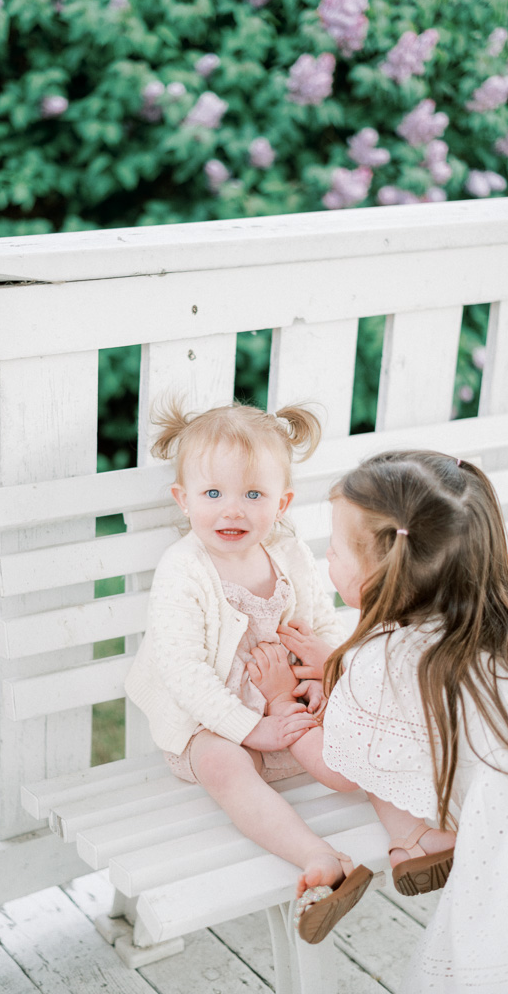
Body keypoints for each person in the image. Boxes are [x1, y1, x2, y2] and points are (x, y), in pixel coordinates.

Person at [256, 450, 508, 990]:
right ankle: (420, 840)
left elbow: (341, 770)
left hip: (503, 851)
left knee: (370, 749)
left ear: (381, 573)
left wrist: (284, 704)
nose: (325, 558)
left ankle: (420, 838)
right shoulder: (494, 623)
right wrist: (338, 662)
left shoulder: (381, 660)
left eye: (332, 549)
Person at [125, 401, 373, 944]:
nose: (231, 511)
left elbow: (321, 622)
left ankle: (413, 828)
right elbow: (183, 672)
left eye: (253, 495)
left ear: (281, 503)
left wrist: (320, 667)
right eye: (213, 494)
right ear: (183, 500)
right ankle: (319, 857)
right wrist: (248, 727)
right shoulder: (183, 570)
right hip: (212, 722)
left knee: (357, 729)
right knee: (221, 763)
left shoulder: (287, 553)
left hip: (285, 706)